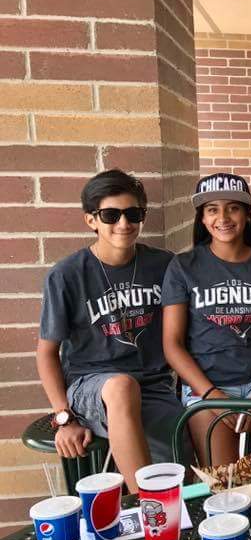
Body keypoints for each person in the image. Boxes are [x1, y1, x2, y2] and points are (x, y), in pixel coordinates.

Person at [37, 169, 179, 492]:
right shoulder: (67, 275)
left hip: (153, 384)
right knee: (121, 387)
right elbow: (46, 353)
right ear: (91, 220)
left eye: (133, 214)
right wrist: (64, 418)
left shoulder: (163, 265)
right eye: (111, 215)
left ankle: (176, 517)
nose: (123, 224)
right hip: (90, 384)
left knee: (181, 462)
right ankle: (149, 507)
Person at [161, 173, 251, 466]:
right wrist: (213, 395)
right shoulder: (183, 267)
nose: (223, 216)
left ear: (246, 215)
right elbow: (172, 344)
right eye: (212, 209)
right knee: (224, 488)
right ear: (203, 219)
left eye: (233, 207)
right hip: (206, 385)